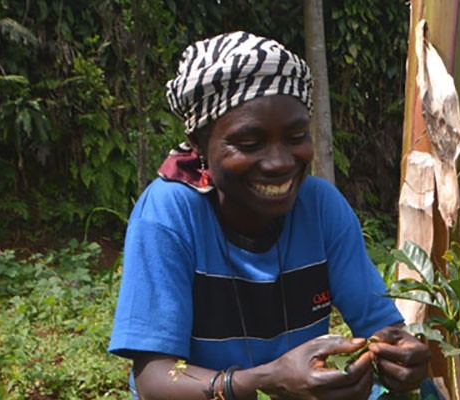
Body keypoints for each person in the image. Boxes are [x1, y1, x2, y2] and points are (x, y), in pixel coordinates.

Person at [108, 32, 430, 399]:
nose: (279, 163)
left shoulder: (321, 207)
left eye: (295, 137)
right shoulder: (169, 215)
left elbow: (381, 328)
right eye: (249, 144)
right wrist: (263, 381)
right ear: (199, 144)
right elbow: (155, 379)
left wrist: (399, 357)